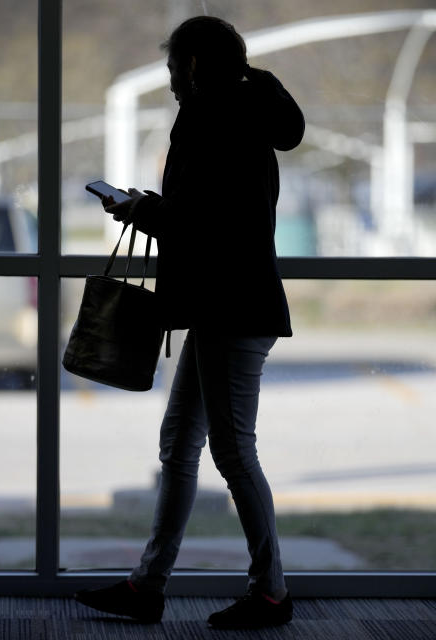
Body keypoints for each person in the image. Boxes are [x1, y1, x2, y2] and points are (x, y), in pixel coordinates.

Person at [73, 15, 304, 630]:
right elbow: (219, 215)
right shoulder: (249, 109)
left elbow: (200, 222)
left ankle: (271, 593)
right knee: (183, 446)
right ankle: (149, 585)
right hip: (228, 305)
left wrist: (138, 209)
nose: (173, 82)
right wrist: (152, 209)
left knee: (231, 452)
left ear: (197, 66)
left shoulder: (212, 116)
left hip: (229, 306)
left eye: (176, 69)